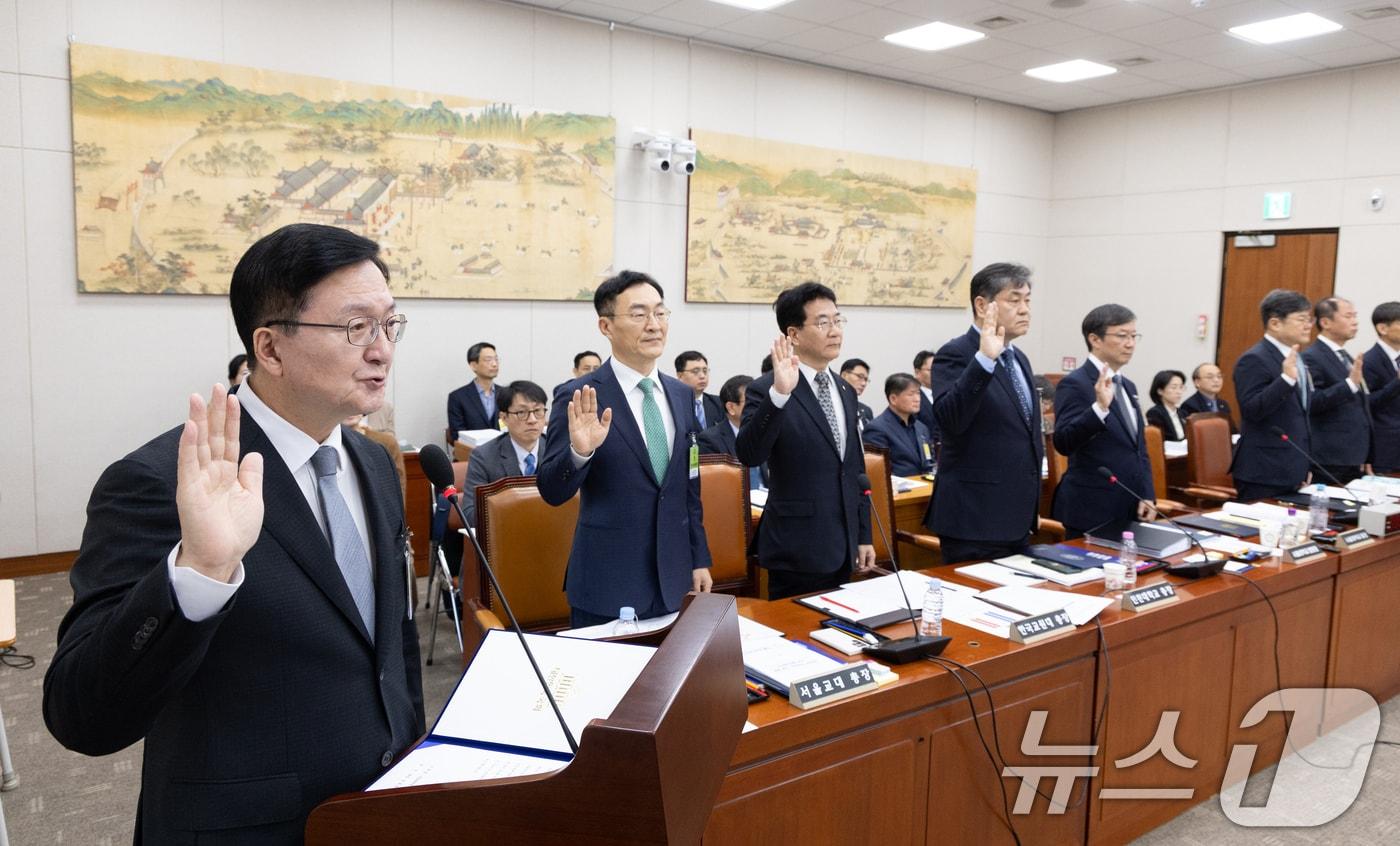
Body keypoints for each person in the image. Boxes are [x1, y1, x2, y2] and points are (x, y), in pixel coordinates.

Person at [43, 223, 423, 843]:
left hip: (382, 810)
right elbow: (81, 715)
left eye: (390, 324)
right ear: (269, 349)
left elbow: (391, 646)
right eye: (357, 327)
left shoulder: (374, 462)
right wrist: (197, 573)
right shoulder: (156, 481)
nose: (382, 350)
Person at [536, 271, 713, 627]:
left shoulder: (681, 394)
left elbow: (688, 489)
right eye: (638, 314)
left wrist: (699, 558)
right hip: (608, 584)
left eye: (660, 313)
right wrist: (579, 453)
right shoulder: (580, 395)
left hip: (674, 579)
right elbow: (552, 490)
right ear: (606, 326)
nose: (654, 325)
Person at [736, 282, 873, 600]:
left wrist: (863, 534)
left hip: (844, 544)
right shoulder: (767, 388)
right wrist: (779, 395)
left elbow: (854, 470)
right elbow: (749, 453)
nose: (835, 331)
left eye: (838, 320)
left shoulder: (845, 389)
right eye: (823, 322)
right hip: (796, 548)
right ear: (793, 334)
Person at [924, 262, 1044, 565]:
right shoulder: (956, 353)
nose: (1025, 310)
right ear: (982, 305)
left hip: (1016, 517)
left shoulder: (1020, 358)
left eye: (1027, 300)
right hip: (974, 520)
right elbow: (950, 420)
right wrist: (984, 360)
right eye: (1014, 300)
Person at [1051, 304, 1155, 537]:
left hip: (1130, 506)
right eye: (1122, 336)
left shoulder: (1128, 386)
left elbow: (1139, 449)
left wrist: (1147, 494)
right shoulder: (1075, 383)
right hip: (1092, 509)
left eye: (1133, 336)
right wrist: (1099, 408)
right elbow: (1064, 442)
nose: (1130, 343)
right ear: (1095, 339)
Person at [1230, 289, 1315, 502]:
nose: (1308, 326)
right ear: (1275, 323)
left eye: (1310, 319)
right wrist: (1285, 380)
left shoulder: (1297, 358)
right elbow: (1251, 410)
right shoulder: (1254, 359)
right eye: (1301, 319)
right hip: (1264, 471)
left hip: (1293, 468)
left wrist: (1304, 464)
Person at [1303, 297, 1372, 485]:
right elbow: (1313, 402)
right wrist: (1349, 384)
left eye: (1355, 316)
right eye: (1348, 316)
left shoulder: (1345, 356)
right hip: (1329, 456)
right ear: (1326, 322)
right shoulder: (1311, 357)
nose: (1355, 322)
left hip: (1353, 455)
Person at [462, 380, 548, 526]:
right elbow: (470, 513)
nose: (532, 420)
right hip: (507, 532)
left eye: (538, 411)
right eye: (522, 413)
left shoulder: (556, 450)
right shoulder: (484, 457)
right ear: (504, 418)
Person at [697, 374, 768, 492]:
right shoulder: (709, 441)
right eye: (750, 402)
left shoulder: (766, 433)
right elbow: (715, 487)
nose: (758, 406)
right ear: (731, 407)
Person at [863, 373, 936, 477]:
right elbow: (879, 472)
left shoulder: (921, 428)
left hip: (926, 484)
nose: (917, 399)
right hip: (899, 486)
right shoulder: (876, 429)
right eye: (911, 394)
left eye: (918, 393)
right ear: (893, 399)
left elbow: (930, 462)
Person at [1363, 301, 1400, 473]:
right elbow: (1366, 403)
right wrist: (1396, 383)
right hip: (1384, 450)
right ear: (1383, 328)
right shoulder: (1369, 361)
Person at [446, 341, 500, 441]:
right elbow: (457, 434)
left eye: (496, 359)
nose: (494, 364)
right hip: (472, 449)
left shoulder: (506, 394)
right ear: (473, 365)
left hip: (503, 449)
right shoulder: (458, 397)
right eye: (488, 360)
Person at [675, 350, 724, 430]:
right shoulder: (673, 404)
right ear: (680, 376)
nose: (702, 376)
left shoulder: (719, 403)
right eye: (695, 371)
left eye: (705, 371)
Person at [1180, 363, 1235, 431]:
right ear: (1197, 382)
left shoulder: (1223, 404)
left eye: (1219, 376)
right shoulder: (1190, 405)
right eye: (1210, 377)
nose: (1216, 380)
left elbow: (1232, 430)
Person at [1145, 370, 1188, 442]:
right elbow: (1158, 440)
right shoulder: (1155, 413)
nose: (1179, 392)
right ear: (1160, 391)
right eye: (1174, 387)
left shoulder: (1183, 413)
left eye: (1181, 387)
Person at [839, 357, 874, 428]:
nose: (864, 383)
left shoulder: (866, 411)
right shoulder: (832, 404)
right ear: (844, 375)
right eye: (860, 376)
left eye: (866, 379)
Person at [913, 349, 938, 438]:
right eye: (932, 369)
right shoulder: (913, 398)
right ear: (917, 372)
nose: (936, 373)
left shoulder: (945, 393)